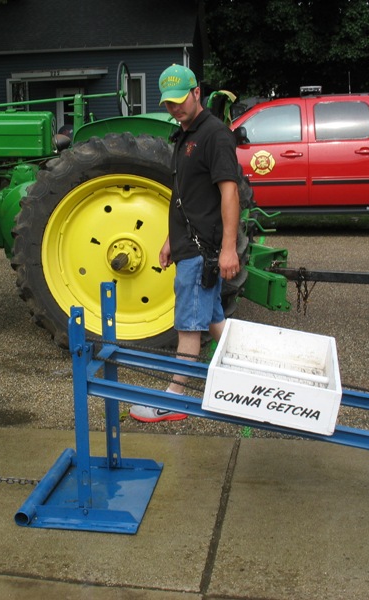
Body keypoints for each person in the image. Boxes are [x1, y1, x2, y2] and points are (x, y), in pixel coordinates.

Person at [129, 65, 241, 423]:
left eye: (180, 100)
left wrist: (228, 248)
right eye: (168, 102)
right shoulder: (184, 135)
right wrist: (170, 240)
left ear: (196, 93)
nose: (174, 108)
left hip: (202, 251)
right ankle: (246, 375)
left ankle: (174, 399)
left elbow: (230, 192)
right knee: (212, 318)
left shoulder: (215, 135)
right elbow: (185, 196)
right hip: (187, 244)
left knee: (189, 325)